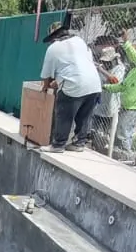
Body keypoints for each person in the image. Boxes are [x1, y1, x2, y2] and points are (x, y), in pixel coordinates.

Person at [39, 13, 102, 150]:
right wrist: (60, 80)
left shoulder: (53, 48)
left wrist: (45, 87)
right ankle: (79, 143)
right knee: (84, 116)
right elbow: (77, 66)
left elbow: (46, 75)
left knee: (64, 113)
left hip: (74, 85)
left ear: (53, 37)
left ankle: (58, 145)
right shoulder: (80, 41)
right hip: (94, 84)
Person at [104, 37, 136, 157]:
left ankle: (126, 155)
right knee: (120, 131)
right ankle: (120, 153)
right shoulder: (134, 71)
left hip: (134, 106)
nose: (131, 58)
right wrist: (106, 87)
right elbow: (122, 86)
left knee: (124, 132)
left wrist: (126, 43)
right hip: (126, 105)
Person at [90, 37, 124, 154]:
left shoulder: (119, 68)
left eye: (107, 62)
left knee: (107, 134)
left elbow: (115, 81)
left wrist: (101, 70)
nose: (105, 63)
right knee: (95, 131)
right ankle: (95, 148)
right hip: (99, 106)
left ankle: (107, 151)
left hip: (110, 107)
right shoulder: (103, 67)